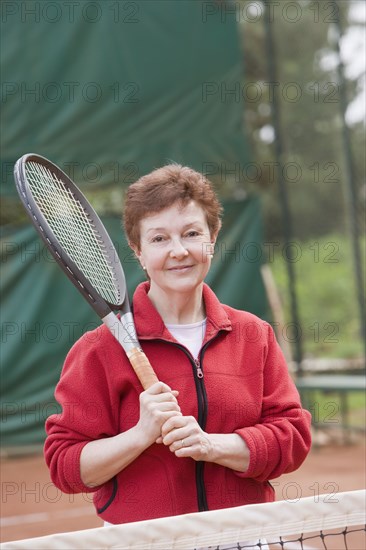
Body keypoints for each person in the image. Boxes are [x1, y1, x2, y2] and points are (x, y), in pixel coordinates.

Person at [44, 164, 312, 527]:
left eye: (191, 233)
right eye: (159, 239)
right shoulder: (97, 350)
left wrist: (212, 446)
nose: (179, 251)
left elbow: (292, 436)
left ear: (212, 238)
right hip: (143, 542)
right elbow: (65, 466)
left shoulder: (254, 334)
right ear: (138, 251)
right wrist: (140, 434)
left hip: (246, 535)